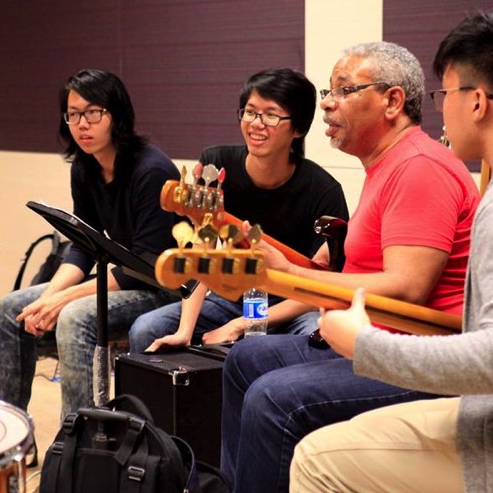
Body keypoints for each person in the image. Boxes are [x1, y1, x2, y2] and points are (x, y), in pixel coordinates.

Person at [291, 4, 493, 493]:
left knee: (315, 459)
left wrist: (365, 344)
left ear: (478, 102)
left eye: (444, 93)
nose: (439, 108)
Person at [221, 42, 481, 492]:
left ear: (392, 102)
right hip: (363, 330)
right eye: (329, 90)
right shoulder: (385, 165)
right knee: (245, 356)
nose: (326, 102)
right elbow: (348, 275)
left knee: (272, 398)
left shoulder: (417, 166)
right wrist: (273, 282)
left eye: (344, 90)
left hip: (415, 351)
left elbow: (407, 287)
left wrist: (287, 274)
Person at [0, 69, 181, 424]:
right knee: (11, 307)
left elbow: (146, 264)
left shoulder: (152, 171)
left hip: (164, 289)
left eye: (93, 113)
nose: (83, 124)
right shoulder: (85, 167)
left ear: (117, 115)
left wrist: (63, 299)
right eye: (74, 114)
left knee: (74, 316)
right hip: (125, 278)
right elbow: (82, 247)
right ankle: (13, 432)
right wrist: (49, 294)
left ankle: (77, 443)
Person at [128, 68, 350, 353]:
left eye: (271, 115)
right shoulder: (216, 164)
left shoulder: (324, 191)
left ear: (298, 128)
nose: (257, 124)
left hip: (292, 306)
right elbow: (202, 251)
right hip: (232, 295)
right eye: (250, 112)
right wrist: (185, 330)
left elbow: (325, 286)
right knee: (146, 329)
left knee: (317, 342)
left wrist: (243, 323)